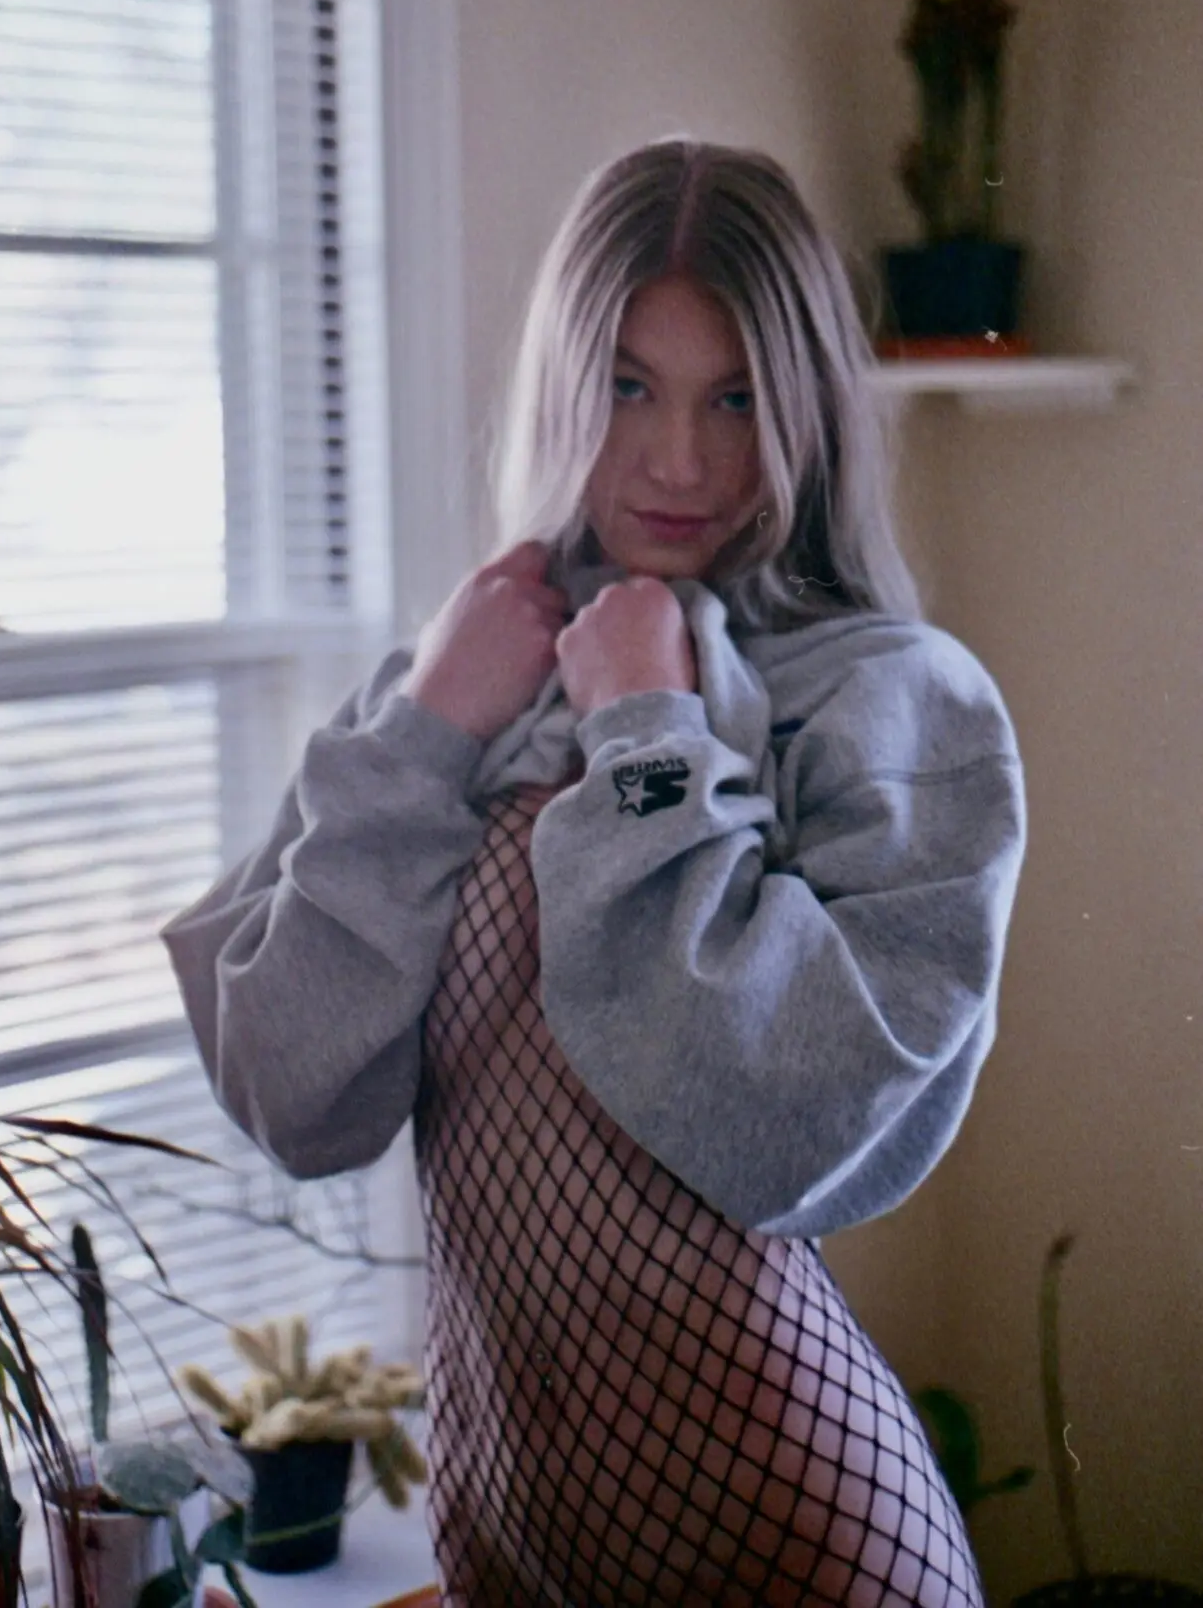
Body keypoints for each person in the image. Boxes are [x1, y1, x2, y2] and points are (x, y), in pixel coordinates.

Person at [164, 139, 1027, 1607]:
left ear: (807, 411)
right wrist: (431, 729)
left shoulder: (894, 702)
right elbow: (294, 1094)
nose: (681, 460)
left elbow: (784, 1129)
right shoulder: (459, 680)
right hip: (500, 1531)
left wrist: (647, 731)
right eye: (630, 386)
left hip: (791, 1535)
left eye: (737, 398)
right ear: (564, 385)